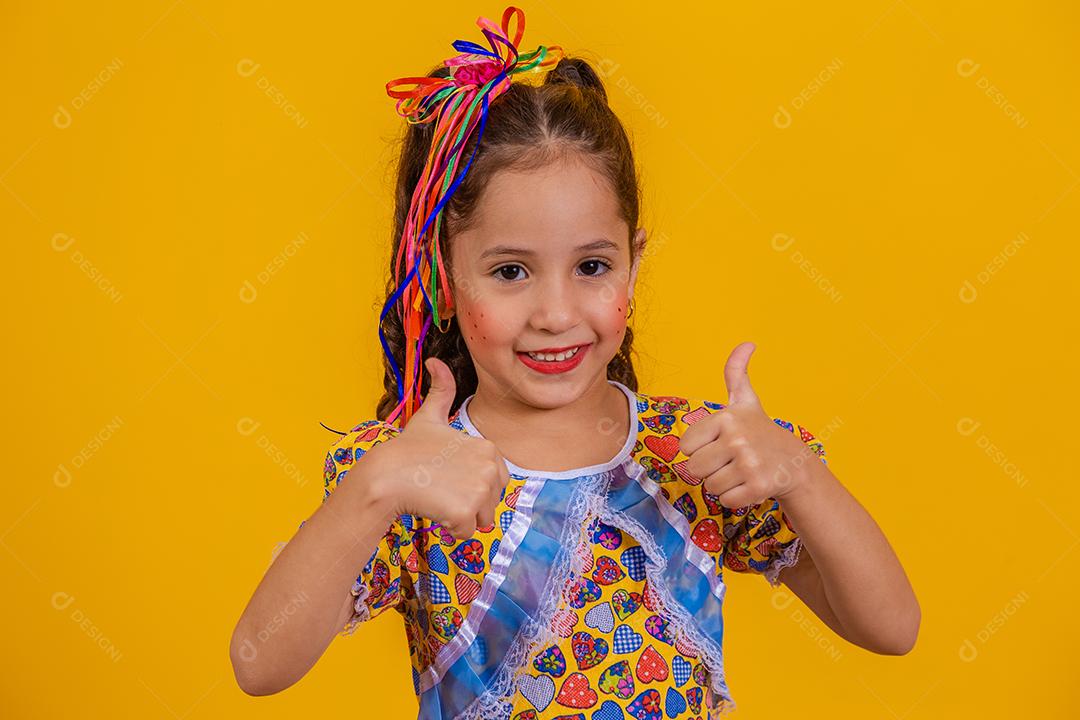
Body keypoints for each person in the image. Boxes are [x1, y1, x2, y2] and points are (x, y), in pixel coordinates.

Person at [230, 7, 920, 718]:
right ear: (442, 274)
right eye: (509, 272)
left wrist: (799, 473)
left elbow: (892, 628)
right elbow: (259, 664)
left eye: (591, 265)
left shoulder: (692, 457)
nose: (556, 313)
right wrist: (374, 488)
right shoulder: (416, 478)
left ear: (634, 264)